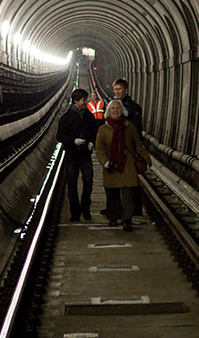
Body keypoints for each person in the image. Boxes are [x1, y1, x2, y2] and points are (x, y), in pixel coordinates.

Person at [95, 99, 151, 231]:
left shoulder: (129, 127)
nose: (115, 111)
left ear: (122, 111)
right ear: (108, 111)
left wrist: (147, 160)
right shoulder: (103, 129)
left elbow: (137, 144)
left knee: (128, 193)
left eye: (118, 108)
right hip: (112, 165)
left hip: (128, 164)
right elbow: (100, 148)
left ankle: (127, 219)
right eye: (113, 109)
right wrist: (105, 161)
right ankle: (113, 217)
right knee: (112, 193)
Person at [56, 88, 97, 222]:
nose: (86, 102)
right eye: (84, 100)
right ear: (75, 101)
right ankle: (75, 212)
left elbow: (94, 131)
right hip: (72, 156)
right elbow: (60, 136)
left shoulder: (89, 116)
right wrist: (73, 141)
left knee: (88, 182)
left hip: (85, 154)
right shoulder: (66, 118)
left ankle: (85, 209)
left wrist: (91, 142)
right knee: (72, 185)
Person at [112, 78, 145, 217]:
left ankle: (135, 208)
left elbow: (136, 130)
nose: (117, 92)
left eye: (119, 89)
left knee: (131, 180)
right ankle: (120, 208)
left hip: (130, 149)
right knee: (119, 178)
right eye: (115, 90)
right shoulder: (113, 105)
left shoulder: (133, 108)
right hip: (118, 148)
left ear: (126, 90)